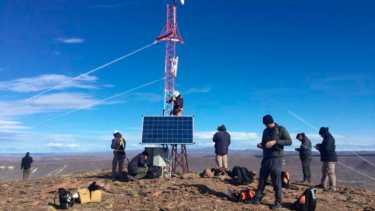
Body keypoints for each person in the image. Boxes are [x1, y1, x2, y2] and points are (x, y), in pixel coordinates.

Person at [252, 114, 292, 210]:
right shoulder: (265, 131)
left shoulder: (281, 129)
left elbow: (289, 141)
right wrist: (260, 145)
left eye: (268, 124)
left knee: (276, 180)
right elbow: (264, 143)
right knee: (262, 179)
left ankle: (278, 202)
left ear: (272, 122)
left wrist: (275, 142)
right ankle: (257, 198)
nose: (267, 126)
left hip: (276, 158)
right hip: (266, 157)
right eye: (265, 124)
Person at [315, 127, 337, 192]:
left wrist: (319, 148)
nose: (321, 136)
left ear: (324, 133)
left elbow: (327, 148)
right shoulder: (327, 138)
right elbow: (325, 146)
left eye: (321, 134)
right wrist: (320, 145)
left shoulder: (329, 138)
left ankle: (333, 187)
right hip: (326, 158)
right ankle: (323, 184)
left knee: (331, 173)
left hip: (330, 158)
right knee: (324, 172)